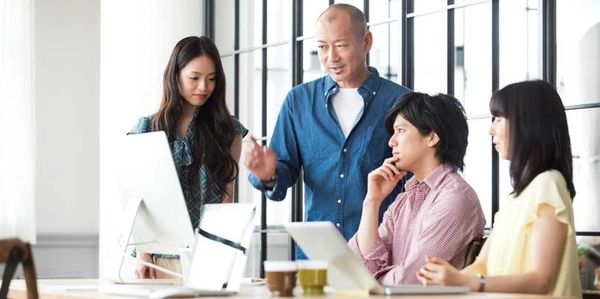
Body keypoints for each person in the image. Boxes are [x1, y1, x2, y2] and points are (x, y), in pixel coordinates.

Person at [244, 4, 410, 257]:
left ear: (366, 42)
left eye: (341, 45)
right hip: (316, 257)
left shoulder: (400, 102)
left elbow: (418, 179)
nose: (331, 57)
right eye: (322, 47)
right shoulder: (299, 102)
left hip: (380, 255)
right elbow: (283, 172)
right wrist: (268, 175)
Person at [417, 80, 582, 298]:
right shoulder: (515, 199)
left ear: (529, 123)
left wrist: (466, 282)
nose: (490, 129)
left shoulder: (548, 184)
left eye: (499, 118)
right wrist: (447, 280)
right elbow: (481, 266)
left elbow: (541, 280)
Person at [128, 36, 248, 278]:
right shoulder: (147, 128)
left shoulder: (228, 130)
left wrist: (220, 254)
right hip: (156, 257)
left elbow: (227, 195)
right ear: (176, 75)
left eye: (211, 79)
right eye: (194, 78)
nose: (204, 87)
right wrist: (144, 254)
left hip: (207, 256)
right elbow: (139, 198)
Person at [348, 92, 485, 284]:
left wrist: (370, 281)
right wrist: (372, 201)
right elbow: (356, 268)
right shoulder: (405, 199)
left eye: (400, 131)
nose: (391, 142)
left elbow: (408, 283)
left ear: (432, 137)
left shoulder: (454, 199)